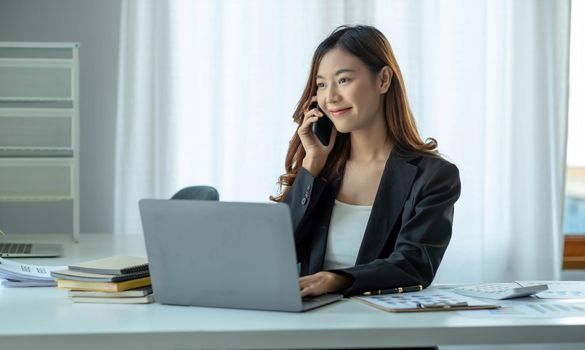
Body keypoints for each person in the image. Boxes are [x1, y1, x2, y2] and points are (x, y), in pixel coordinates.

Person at [271, 25, 461, 299]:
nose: (330, 97)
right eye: (322, 84)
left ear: (383, 80)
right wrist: (311, 167)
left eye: (344, 80)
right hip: (310, 327)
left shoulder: (433, 176)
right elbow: (276, 252)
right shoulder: (320, 169)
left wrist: (335, 279)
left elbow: (414, 264)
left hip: (384, 330)